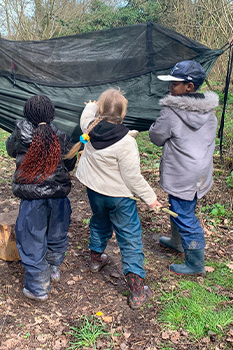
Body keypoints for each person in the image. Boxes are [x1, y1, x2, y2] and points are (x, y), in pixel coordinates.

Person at [65, 88, 162, 309]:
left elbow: (86, 116)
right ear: (123, 114)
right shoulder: (126, 142)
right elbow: (132, 177)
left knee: (99, 221)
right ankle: (137, 291)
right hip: (119, 198)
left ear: (100, 110)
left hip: (95, 192)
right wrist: (151, 199)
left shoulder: (89, 128)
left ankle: (95, 259)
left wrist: (90, 105)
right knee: (129, 237)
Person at [149, 60, 219, 276]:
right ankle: (177, 242)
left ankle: (195, 263)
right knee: (182, 207)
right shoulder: (209, 110)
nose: (170, 87)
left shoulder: (172, 111)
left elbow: (156, 136)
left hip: (181, 172)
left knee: (185, 215)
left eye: (174, 84)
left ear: (189, 86)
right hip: (199, 173)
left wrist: (153, 126)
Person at [6, 95, 76, 301]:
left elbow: (10, 150)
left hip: (32, 197)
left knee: (31, 238)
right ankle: (53, 268)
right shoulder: (61, 136)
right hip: (59, 196)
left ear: (27, 115)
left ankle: (38, 287)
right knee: (57, 232)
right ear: (51, 114)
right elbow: (70, 163)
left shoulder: (20, 135)